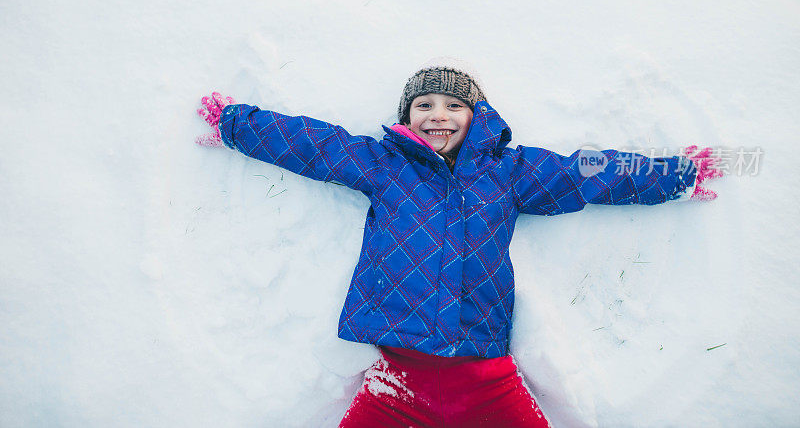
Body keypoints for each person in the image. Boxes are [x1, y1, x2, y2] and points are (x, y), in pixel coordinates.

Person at [195, 57, 721, 427]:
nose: (437, 115)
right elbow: (311, 145)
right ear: (407, 119)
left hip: (486, 376)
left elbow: (588, 174)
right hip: (398, 380)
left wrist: (679, 173)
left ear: (477, 117)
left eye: (453, 105)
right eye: (423, 104)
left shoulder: (508, 173)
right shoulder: (385, 165)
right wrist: (234, 124)